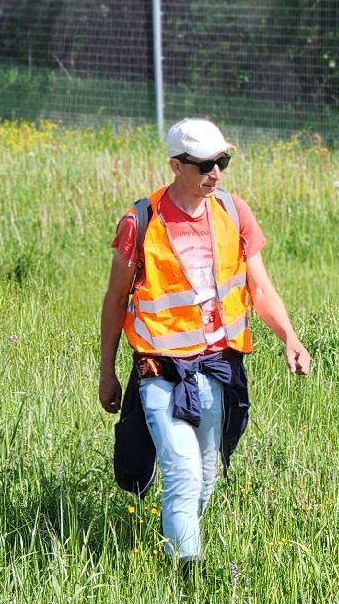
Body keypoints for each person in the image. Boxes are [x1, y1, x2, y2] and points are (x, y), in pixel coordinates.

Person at [98, 118, 311, 574]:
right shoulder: (140, 221)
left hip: (216, 365)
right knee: (183, 469)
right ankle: (188, 576)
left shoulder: (234, 213)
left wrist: (289, 337)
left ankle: (180, 541)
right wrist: (107, 370)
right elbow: (115, 299)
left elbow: (260, 287)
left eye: (223, 162)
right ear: (176, 166)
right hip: (159, 367)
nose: (215, 173)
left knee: (206, 477)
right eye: (204, 165)